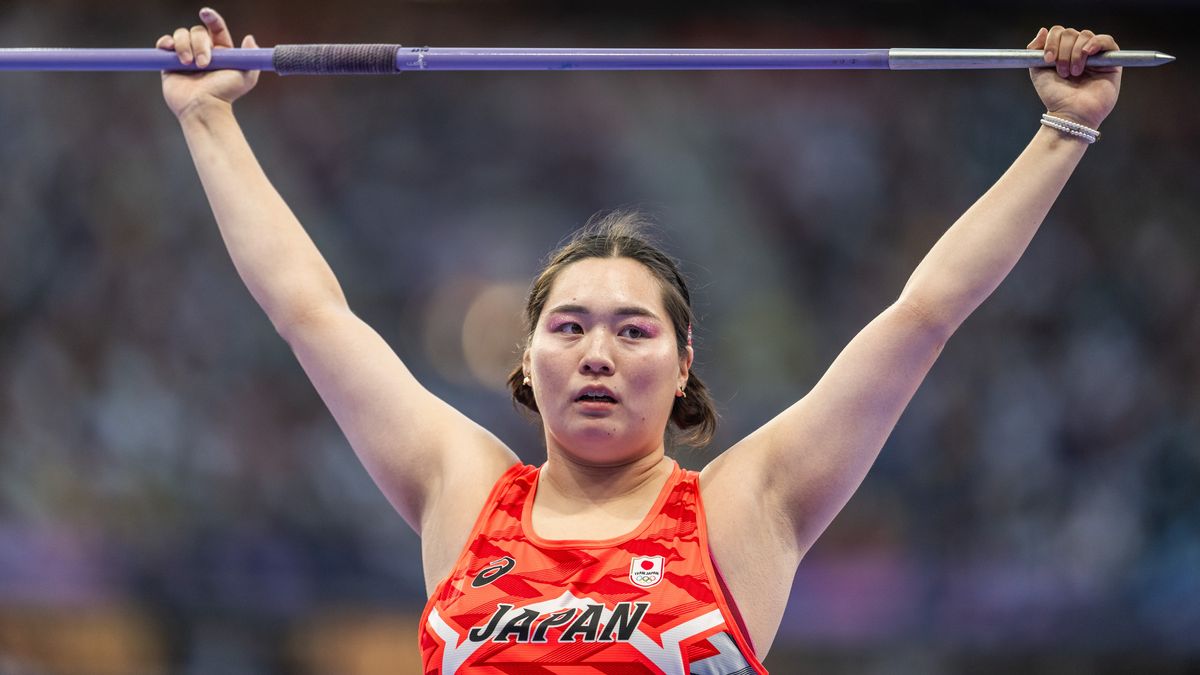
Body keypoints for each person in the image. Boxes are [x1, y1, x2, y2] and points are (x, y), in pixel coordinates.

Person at [156, 9, 1121, 672]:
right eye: (568, 327)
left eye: (632, 329)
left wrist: (1060, 131)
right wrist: (209, 121)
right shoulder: (464, 490)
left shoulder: (750, 504)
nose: (598, 353)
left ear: (683, 358)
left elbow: (922, 314)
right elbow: (312, 312)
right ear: (527, 358)